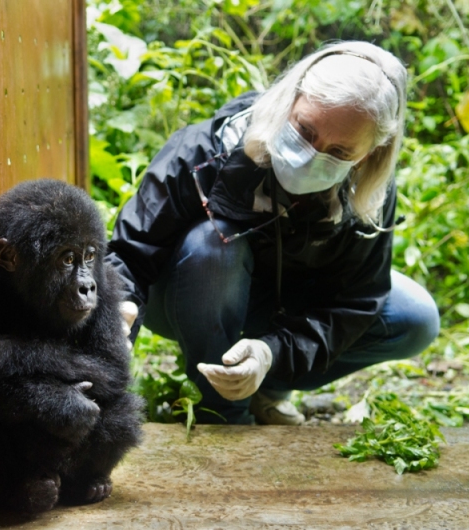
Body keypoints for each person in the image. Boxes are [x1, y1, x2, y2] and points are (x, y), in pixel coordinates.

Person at [107, 40, 440, 425]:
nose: (314, 154)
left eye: (340, 152)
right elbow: (131, 252)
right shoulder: (208, 149)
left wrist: (272, 354)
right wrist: (119, 310)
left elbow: (356, 300)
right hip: (192, 295)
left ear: (369, 154)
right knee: (213, 246)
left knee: (415, 317)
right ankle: (224, 412)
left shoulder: (368, 191)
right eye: (305, 130)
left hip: (282, 311)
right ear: (291, 99)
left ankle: (266, 388)